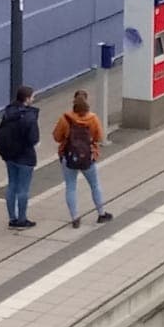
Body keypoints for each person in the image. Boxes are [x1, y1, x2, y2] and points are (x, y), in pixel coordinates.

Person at [52, 90, 112, 228]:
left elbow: (56, 137)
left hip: (69, 157)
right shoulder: (93, 119)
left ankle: (75, 218)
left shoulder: (65, 118)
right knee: (95, 185)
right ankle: (101, 213)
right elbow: (99, 137)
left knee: (71, 187)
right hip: (88, 157)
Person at [0, 85, 40, 230]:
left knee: (12, 184)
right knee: (23, 189)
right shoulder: (29, 117)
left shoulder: (8, 111)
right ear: (27, 99)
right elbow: (34, 139)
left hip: (9, 155)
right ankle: (22, 219)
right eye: (32, 96)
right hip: (25, 157)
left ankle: (12, 218)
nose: (34, 98)